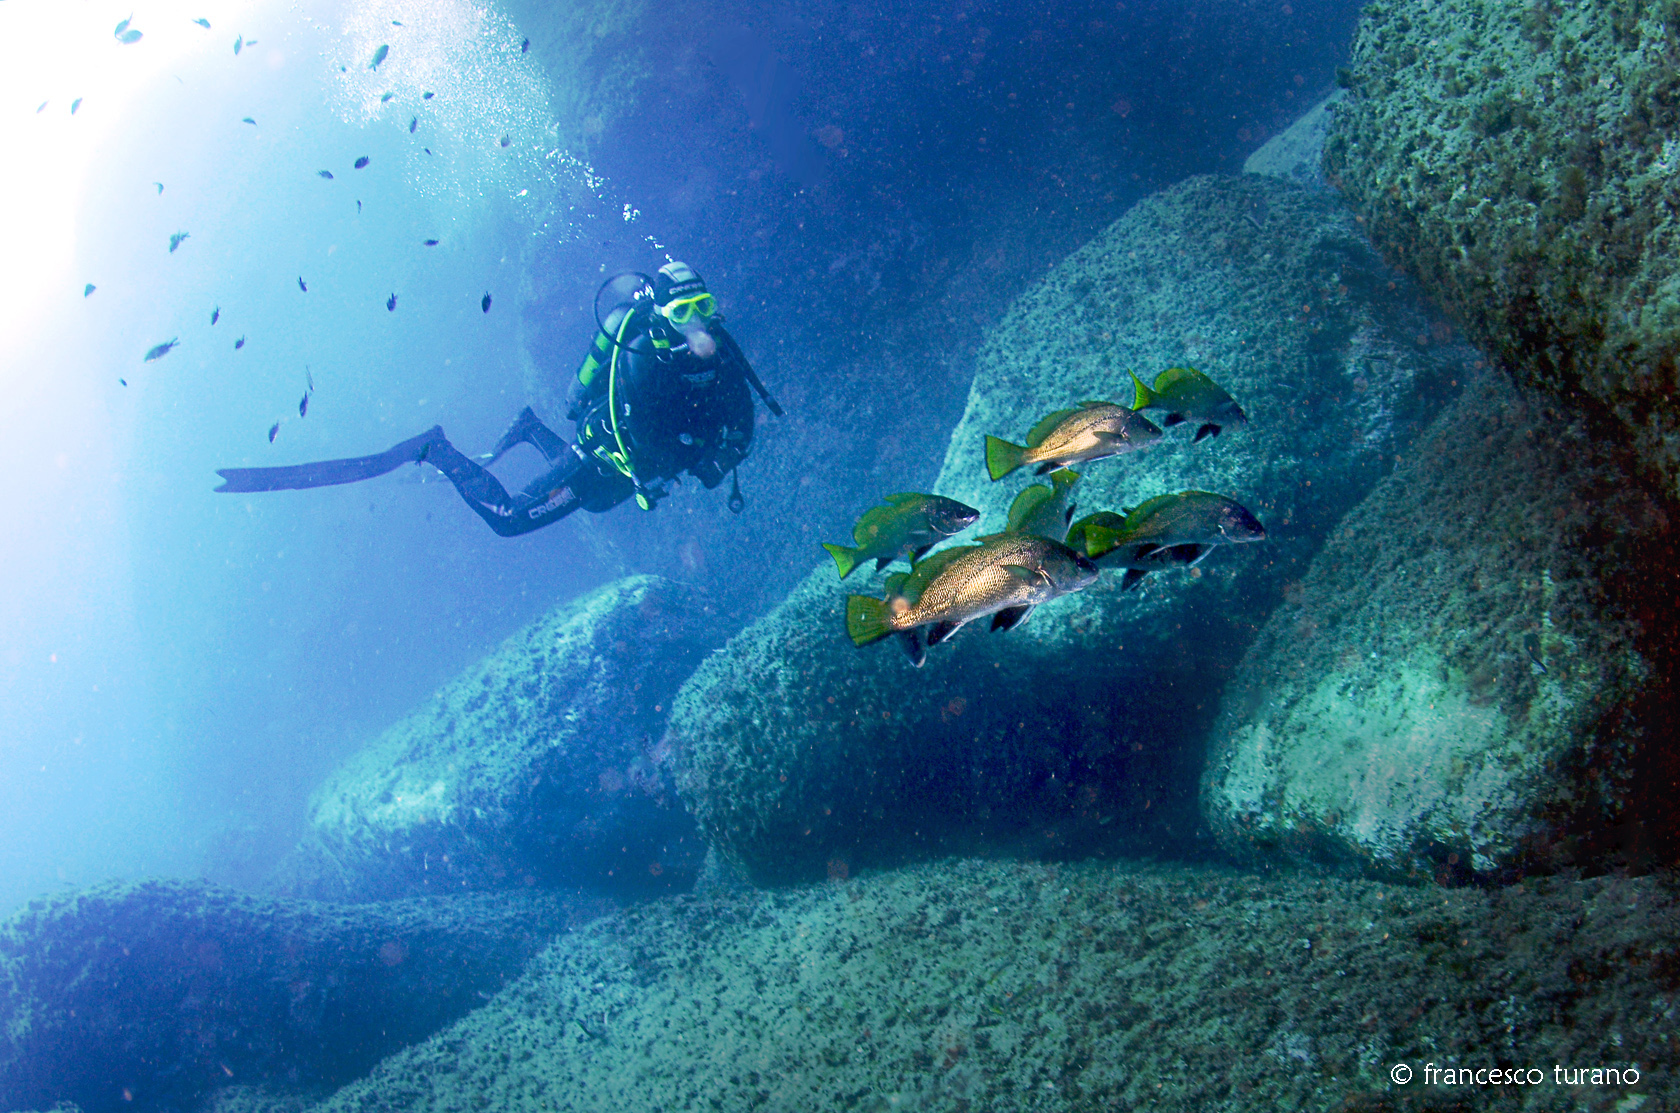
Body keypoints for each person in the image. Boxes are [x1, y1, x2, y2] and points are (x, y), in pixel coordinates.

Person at [215, 262, 781, 536]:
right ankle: (436, 449)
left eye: (702, 308)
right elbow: (649, 439)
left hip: (629, 475)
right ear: (659, 318)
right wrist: (694, 453)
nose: (698, 329)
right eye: (682, 315)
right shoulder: (636, 360)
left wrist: (724, 451)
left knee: (601, 504)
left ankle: (530, 428)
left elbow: (743, 412)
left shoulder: (720, 350)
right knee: (510, 519)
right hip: (601, 457)